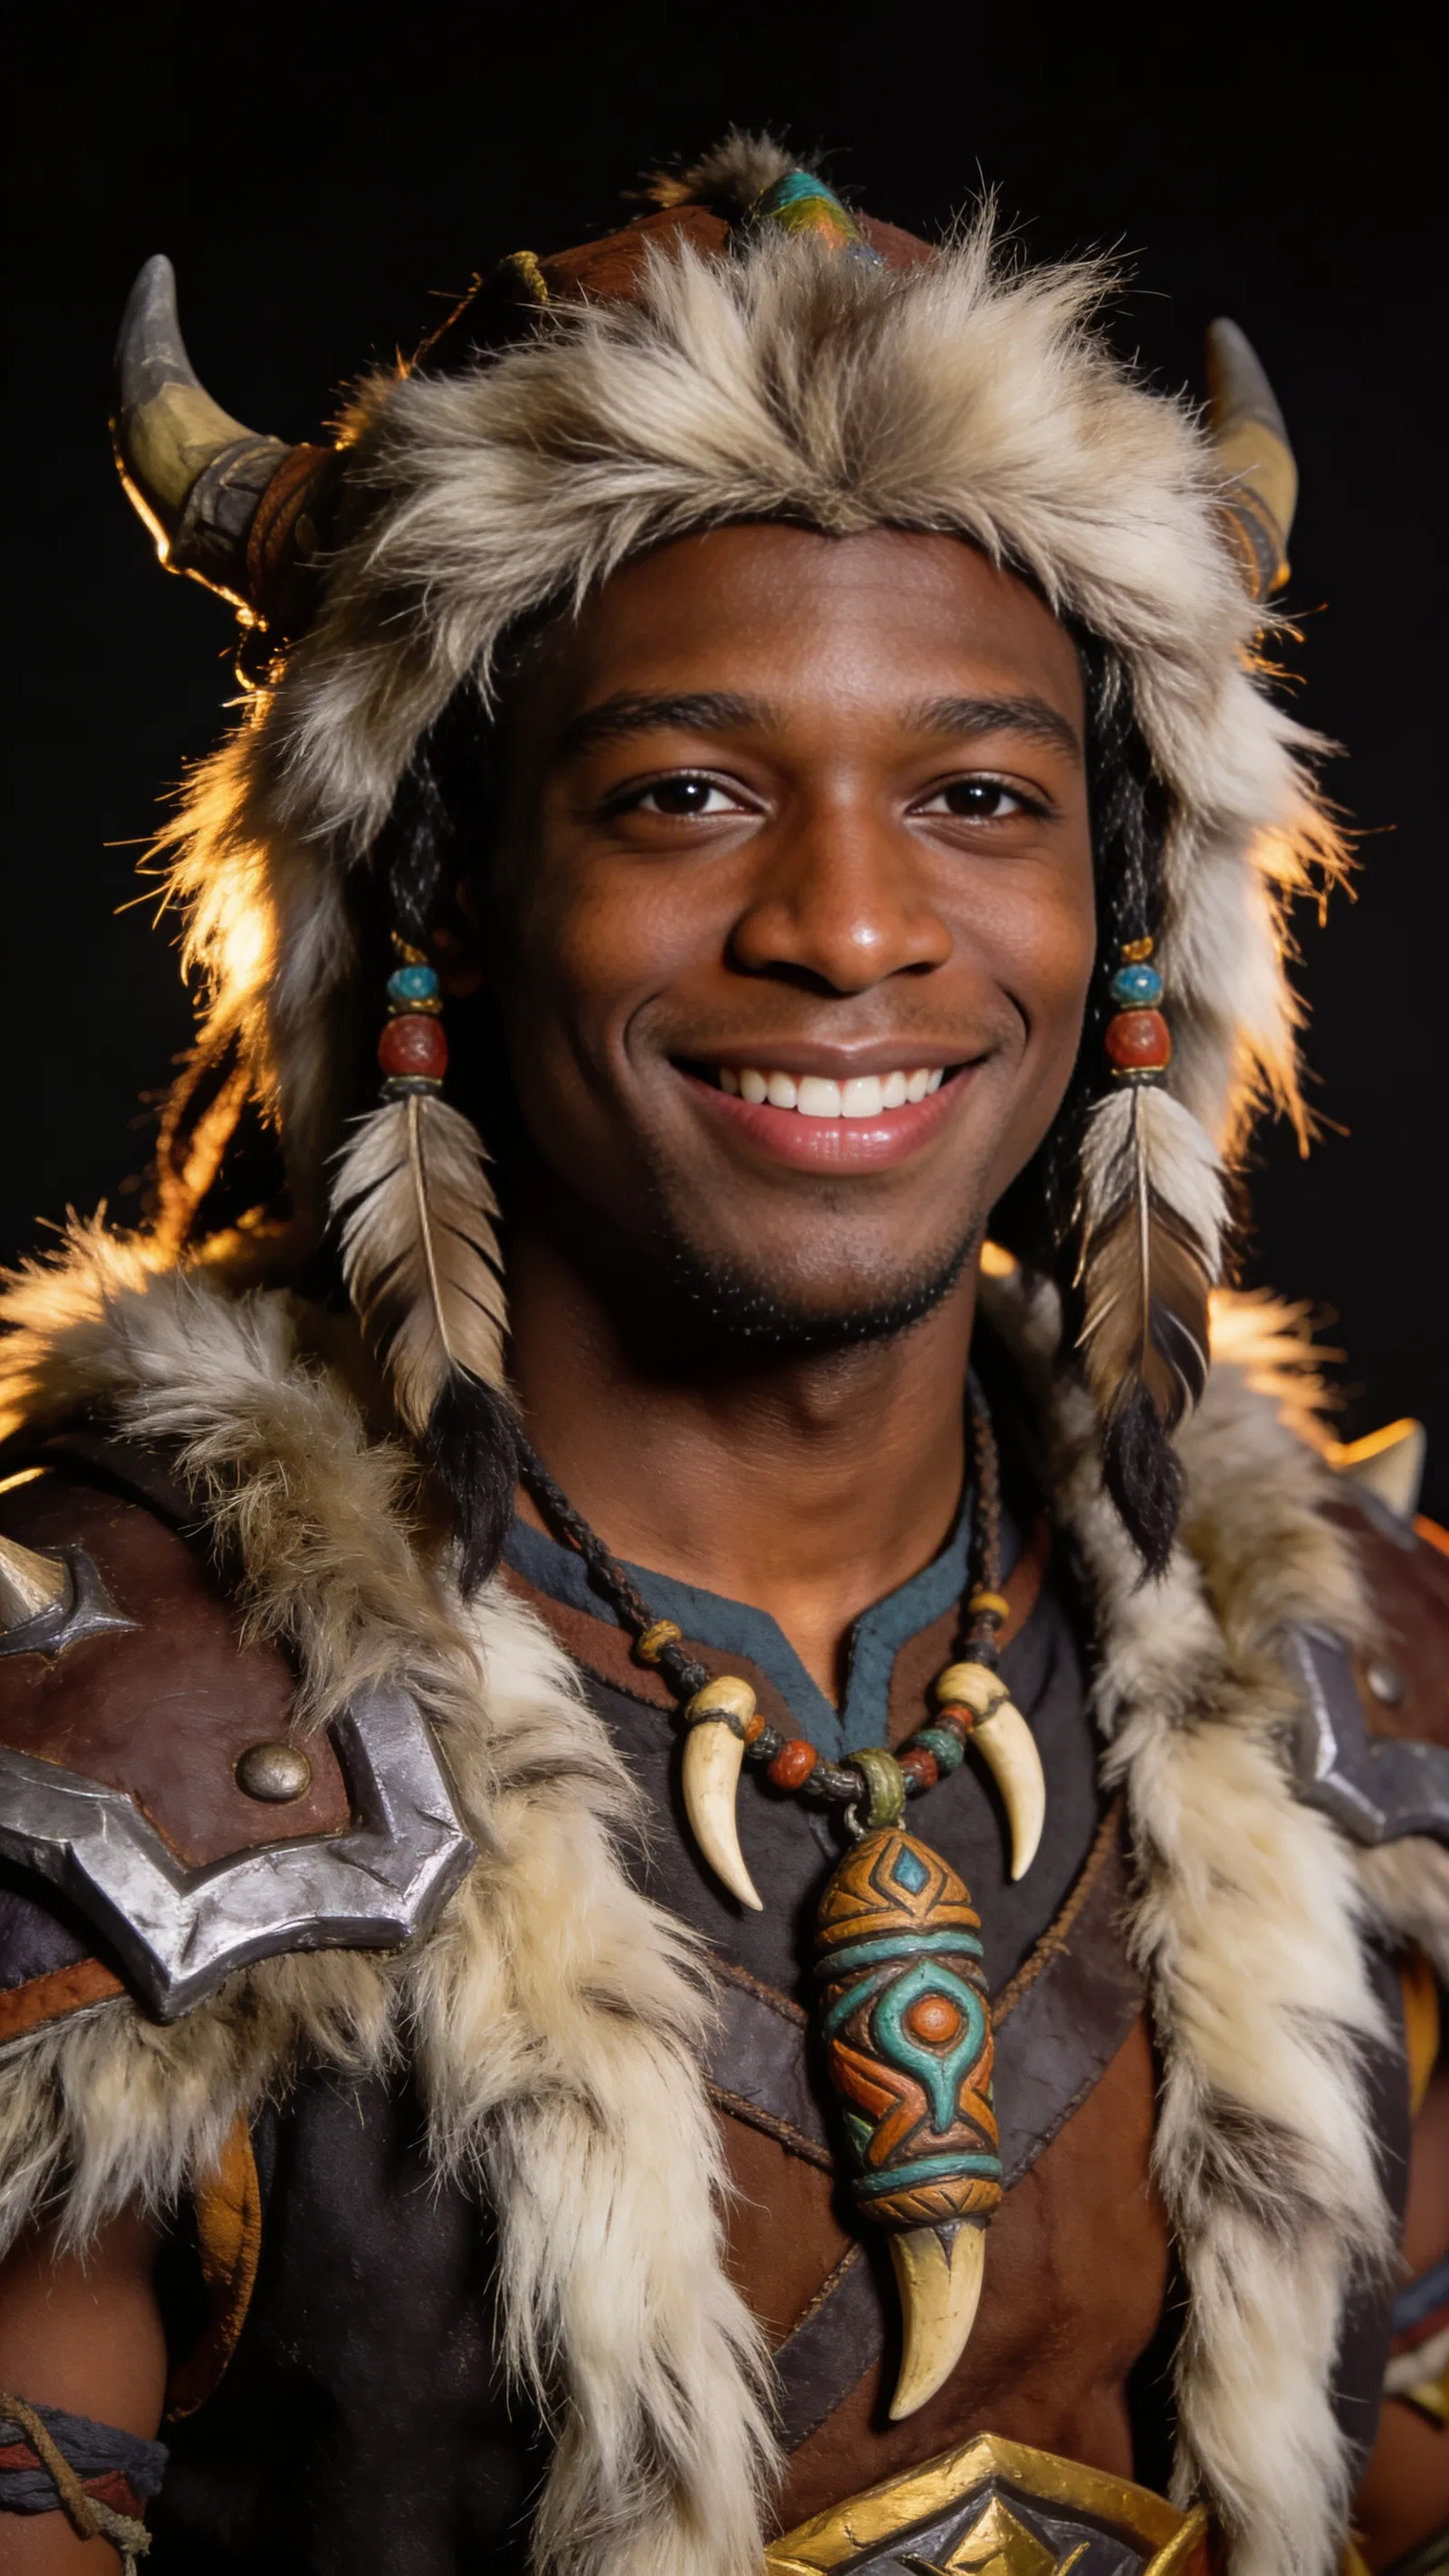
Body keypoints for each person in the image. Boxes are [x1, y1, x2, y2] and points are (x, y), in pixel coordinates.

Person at [1, 134, 1447, 2576]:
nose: (855, 922)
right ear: (444, 899)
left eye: (980, 795)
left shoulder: (1351, 1694)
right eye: (685, 791)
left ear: (1125, 922)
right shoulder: (115, 1785)